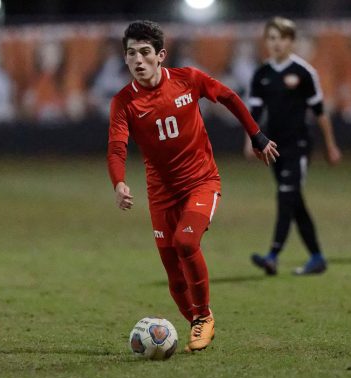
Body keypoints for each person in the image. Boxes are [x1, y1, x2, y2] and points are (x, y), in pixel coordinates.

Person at [107, 20, 278, 352]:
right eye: (131, 54)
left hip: (201, 182)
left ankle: (203, 317)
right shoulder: (124, 102)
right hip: (160, 194)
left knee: (186, 241)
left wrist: (256, 135)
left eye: (145, 53)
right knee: (174, 277)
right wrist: (119, 183)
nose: (138, 61)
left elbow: (228, 96)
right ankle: (199, 321)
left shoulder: (188, 80)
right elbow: (116, 148)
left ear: (161, 55)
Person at [247, 17, 341, 276]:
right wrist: (250, 140)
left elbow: (320, 112)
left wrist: (330, 145)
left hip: (298, 146)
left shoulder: (304, 72)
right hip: (273, 148)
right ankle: (317, 257)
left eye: (282, 38)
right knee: (294, 202)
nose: (276, 44)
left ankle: (273, 255)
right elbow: (253, 112)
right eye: (272, 38)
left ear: (291, 41)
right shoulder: (262, 74)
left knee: (286, 196)